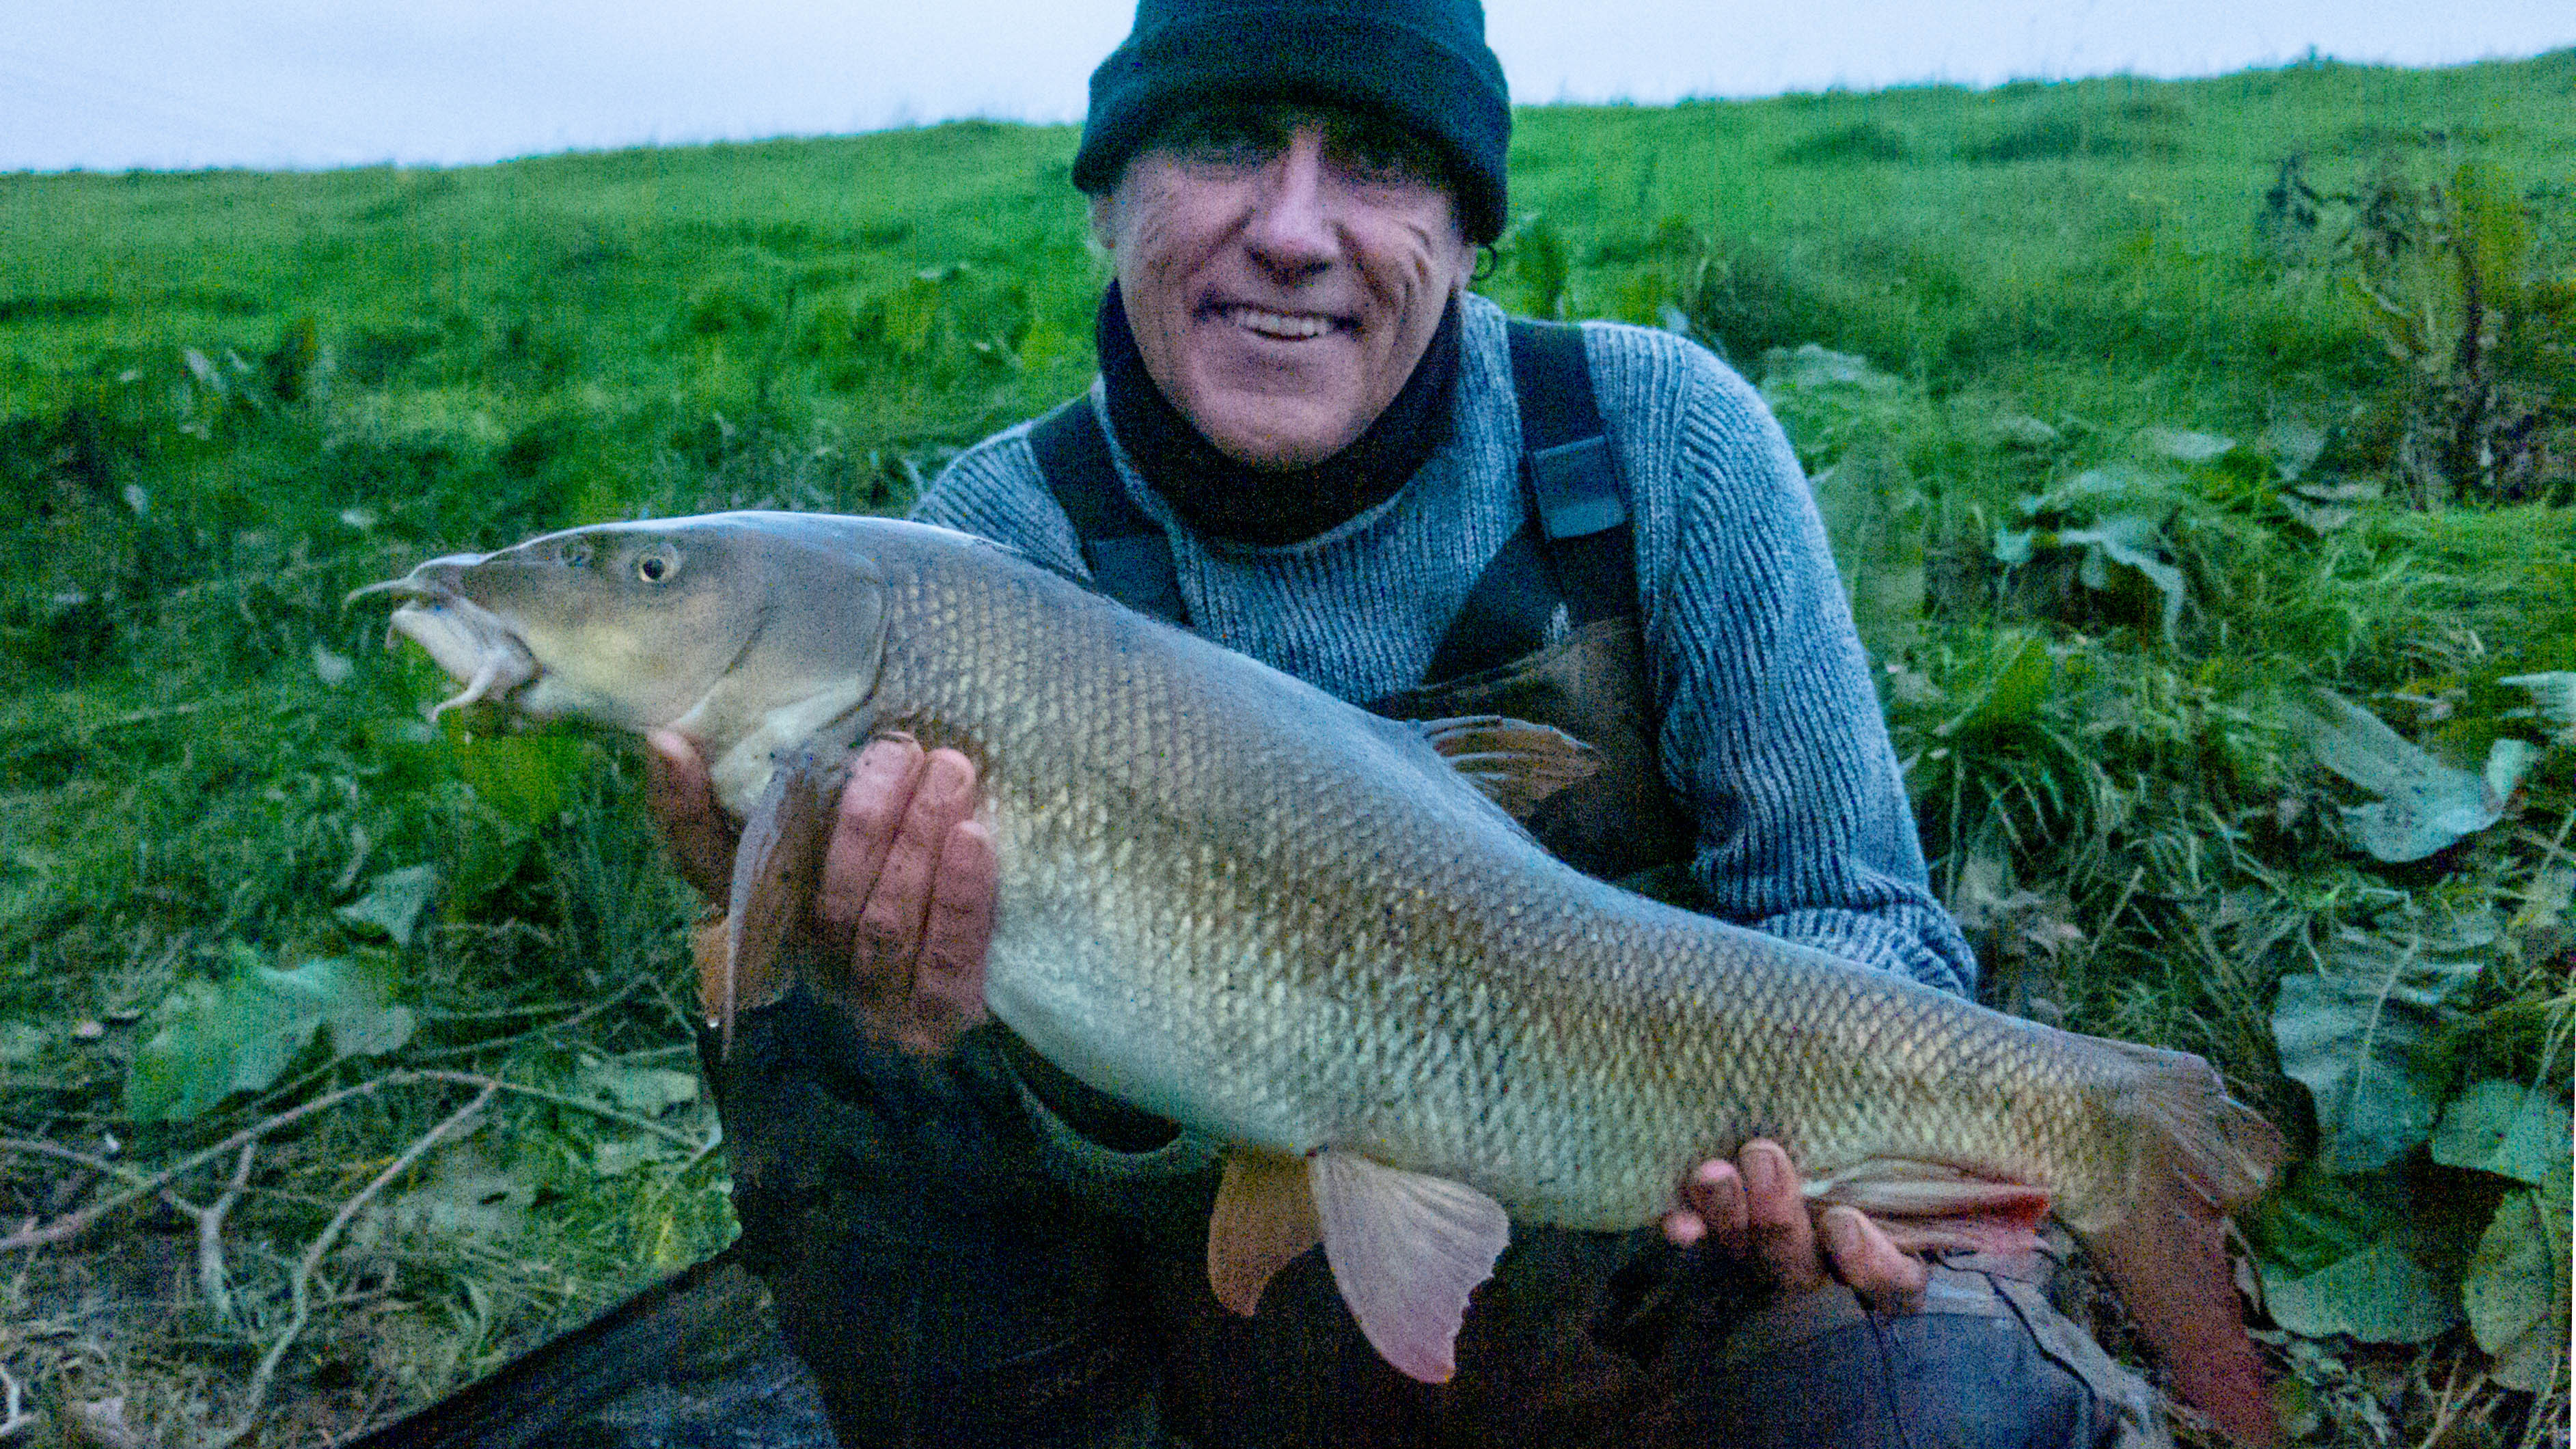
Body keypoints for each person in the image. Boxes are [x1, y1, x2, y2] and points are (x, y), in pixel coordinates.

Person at [647, 1, 2169, 1444]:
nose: (1295, 231)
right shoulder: (992, 550)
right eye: (1228, 138)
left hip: (1666, 1285)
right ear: (1107, 201)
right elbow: (980, 1118)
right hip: (1214, 1326)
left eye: (1376, 161)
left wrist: (1793, 1138)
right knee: (810, 1015)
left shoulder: (1660, 443)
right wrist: (909, 997)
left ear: (1464, 228)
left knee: (1948, 1396)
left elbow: (1860, 914)